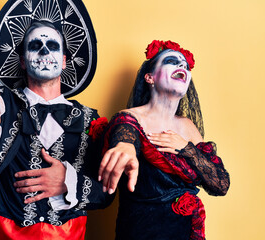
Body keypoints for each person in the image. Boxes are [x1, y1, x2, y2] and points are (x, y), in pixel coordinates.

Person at [0, 1, 114, 239]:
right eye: (35, 45)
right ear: (23, 60)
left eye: (52, 46)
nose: (45, 51)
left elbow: (106, 192)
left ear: (65, 60)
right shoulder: (1, 103)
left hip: (67, 235)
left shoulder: (91, 119)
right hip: (4, 233)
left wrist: (69, 182)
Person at [98, 40, 230, 240]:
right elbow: (125, 133)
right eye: (172, 61)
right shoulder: (131, 117)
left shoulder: (187, 126)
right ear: (150, 77)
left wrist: (186, 148)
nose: (181, 67)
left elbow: (221, 184)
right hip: (141, 231)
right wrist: (125, 146)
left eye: (185, 65)